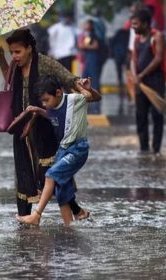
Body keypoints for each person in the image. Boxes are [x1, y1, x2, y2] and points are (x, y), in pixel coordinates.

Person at [0, 29, 91, 220]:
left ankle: (76, 211)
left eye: (18, 52)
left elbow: (67, 78)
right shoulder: (14, 65)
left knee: (52, 172)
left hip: (44, 126)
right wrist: (2, 61)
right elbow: (10, 82)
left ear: (29, 48)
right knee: (23, 172)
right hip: (22, 126)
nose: (14, 56)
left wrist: (81, 84)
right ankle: (25, 217)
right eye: (11, 52)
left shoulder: (45, 63)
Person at [16, 74, 101, 226]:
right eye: (42, 101)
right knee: (61, 190)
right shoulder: (51, 106)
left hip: (77, 149)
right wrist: (37, 109)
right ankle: (70, 226)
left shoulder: (75, 100)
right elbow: (51, 116)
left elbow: (95, 97)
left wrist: (88, 89)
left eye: (46, 100)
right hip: (63, 150)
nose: (45, 104)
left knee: (51, 175)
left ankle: (36, 215)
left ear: (58, 92)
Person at [130, 9, 166, 156]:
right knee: (140, 115)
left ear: (145, 24)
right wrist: (135, 75)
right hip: (140, 84)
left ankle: (156, 149)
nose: (133, 27)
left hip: (155, 82)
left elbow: (158, 58)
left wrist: (142, 74)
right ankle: (143, 148)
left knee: (157, 115)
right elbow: (133, 59)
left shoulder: (157, 36)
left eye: (136, 24)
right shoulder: (137, 39)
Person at [78, 19, 101, 114]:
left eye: (87, 24)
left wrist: (84, 46)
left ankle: (95, 97)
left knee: (93, 78)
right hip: (88, 60)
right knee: (85, 77)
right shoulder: (87, 35)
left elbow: (95, 46)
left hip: (92, 59)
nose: (85, 25)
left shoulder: (92, 35)